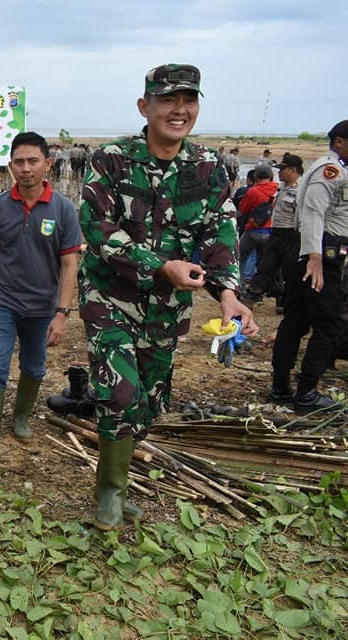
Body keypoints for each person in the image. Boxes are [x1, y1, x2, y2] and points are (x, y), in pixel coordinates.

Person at [78, 64, 256, 530]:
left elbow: (221, 231)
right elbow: (97, 229)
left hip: (168, 307)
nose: (180, 110)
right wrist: (160, 266)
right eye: (168, 100)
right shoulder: (111, 160)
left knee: (151, 401)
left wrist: (229, 295)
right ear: (145, 106)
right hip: (110, 296)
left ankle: (116, 475)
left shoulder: (208, 167)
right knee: (119, 391)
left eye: (189, 100)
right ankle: (110, 495)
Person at [0, 132, 82, 473]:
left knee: (34, 367)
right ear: (11, 166)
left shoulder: (63, 210)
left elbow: (69, 264)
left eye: (33, 161)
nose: (26, 168)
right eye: (19, 162)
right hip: (1, 301)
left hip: (42, 307)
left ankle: (20, 416)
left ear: (48, 164)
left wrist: (61, 314)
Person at [270, 120, 348, 411]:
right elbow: (314, 213)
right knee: (329, 326)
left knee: (296, 322)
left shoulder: (336, 168)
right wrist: (315, 257)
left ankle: (281, 389)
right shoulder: (331, 170)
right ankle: (305, 393)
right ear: (339, 142)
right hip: (320, 254)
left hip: (311, 250)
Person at [245, 153, 303, 306]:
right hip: (275, 232)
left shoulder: (302, 190)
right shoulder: (282, 188)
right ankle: (251, 296)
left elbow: (302, 216)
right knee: (266, 266)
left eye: (282, 169)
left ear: (292, 170)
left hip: (291, 234)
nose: (279, 172)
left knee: (288, 271)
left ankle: (284, 301)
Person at [237, 164, 278, 283]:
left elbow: (242, 209)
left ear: (256, 176)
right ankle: (257, 289)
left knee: (240, 258)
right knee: (262, 262)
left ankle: (241, 286)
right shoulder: (277, 189)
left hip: (253, 229)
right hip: (270, 230)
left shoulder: (253, 191)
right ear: (270, 175)